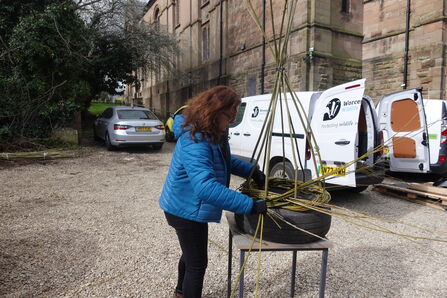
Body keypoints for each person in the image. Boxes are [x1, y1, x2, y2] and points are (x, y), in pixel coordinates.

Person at [159, 85, 267, 298]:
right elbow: (206, 187)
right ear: (215, 111)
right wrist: (250, 205)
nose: (233, 120)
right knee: (197, 264)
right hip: (183, 209)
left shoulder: (211, 133)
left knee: (190, 255)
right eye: (230, 114)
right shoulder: (194, 140)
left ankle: (180, 292)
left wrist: (252, 171)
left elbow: (225, 161)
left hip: (185, 206)